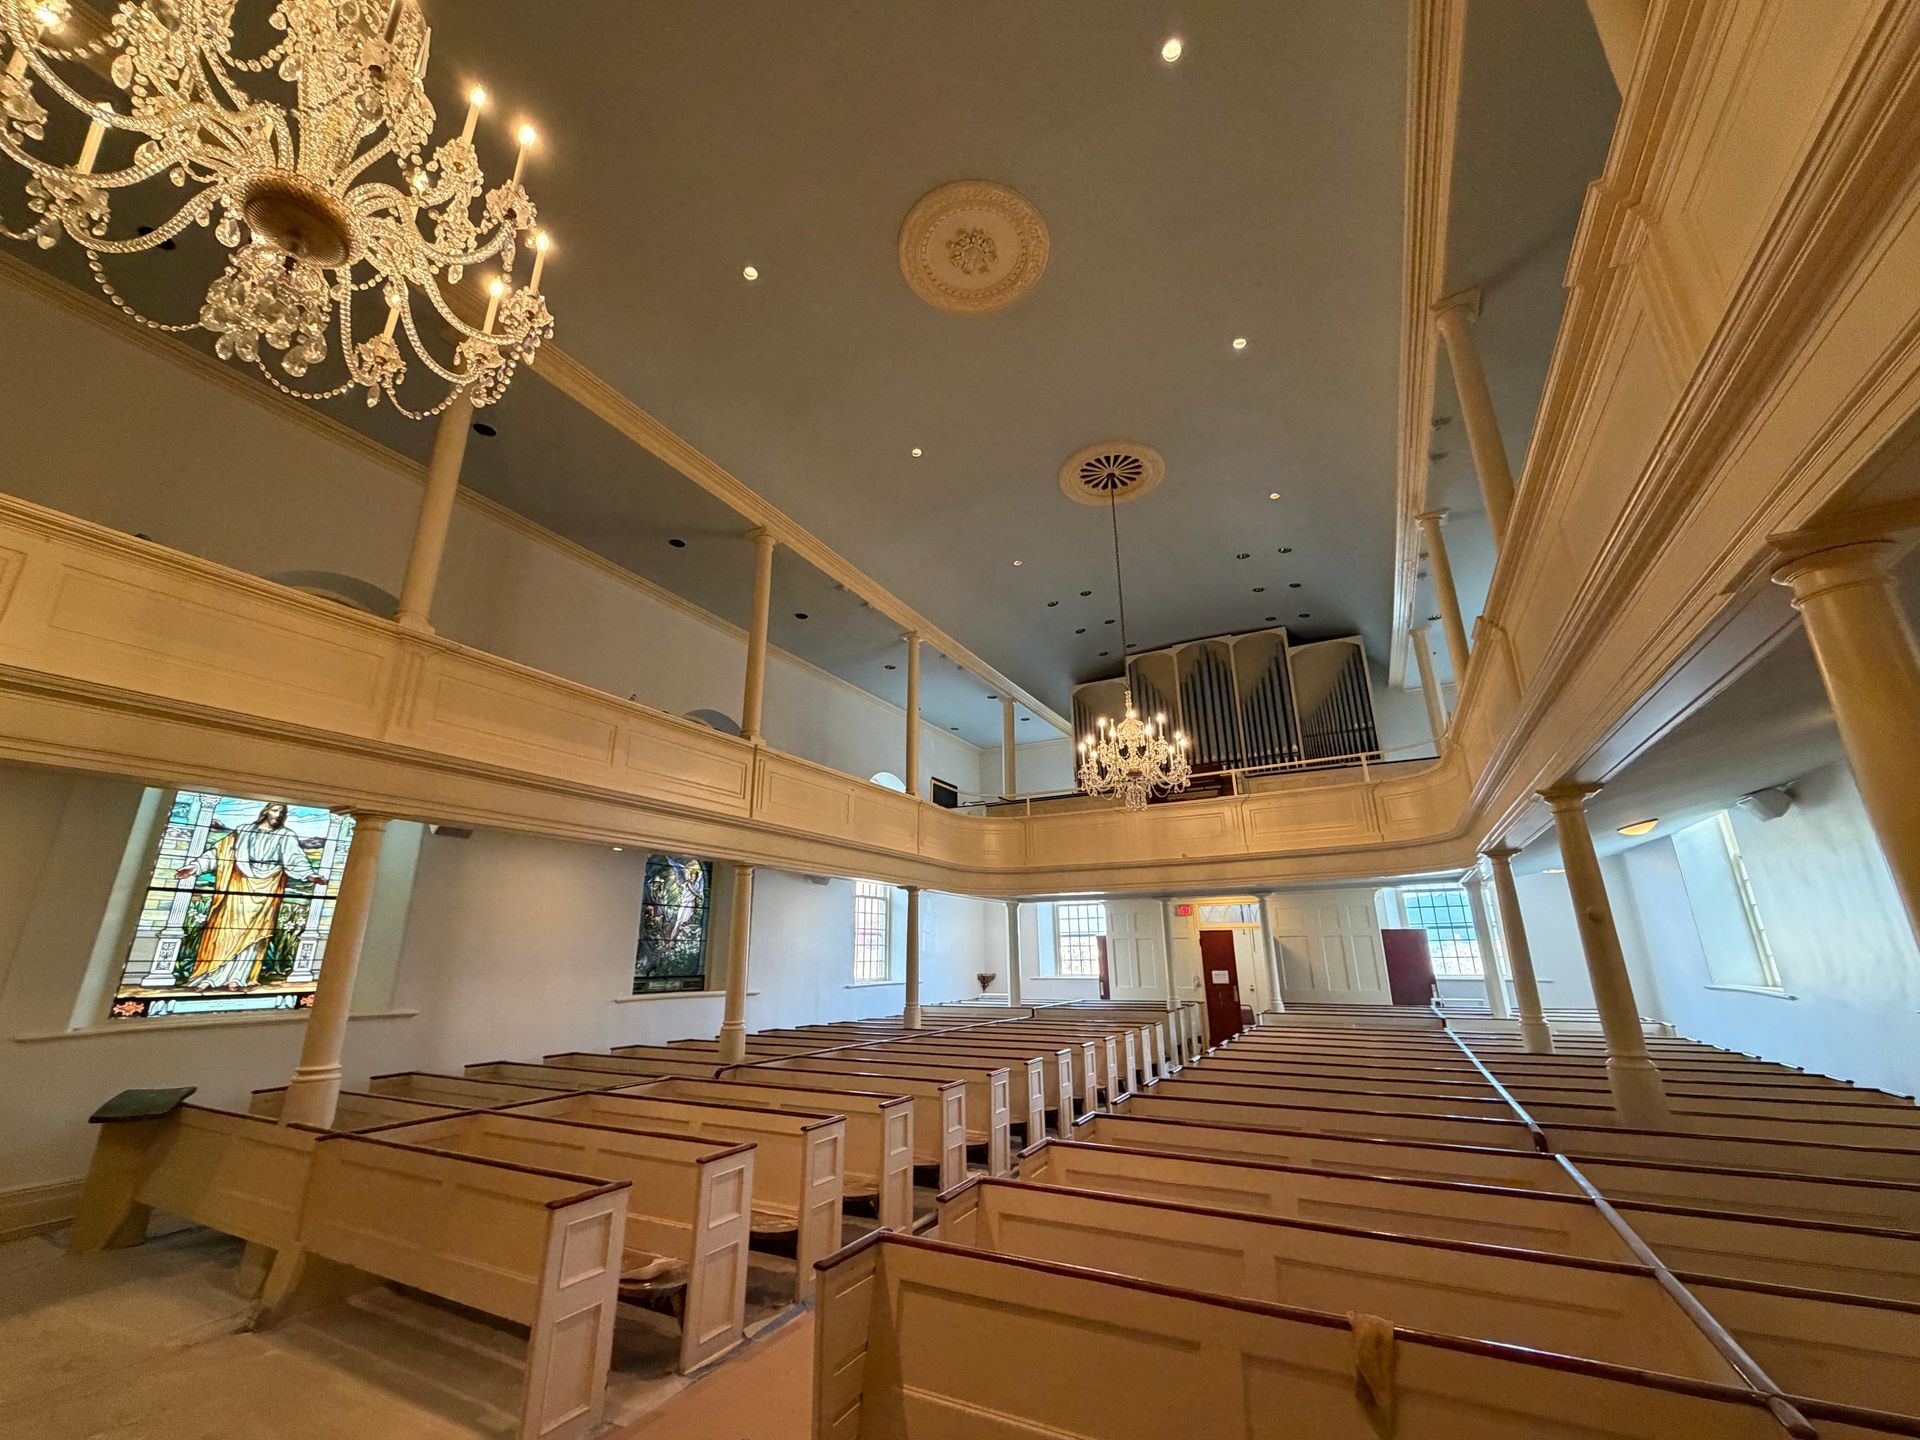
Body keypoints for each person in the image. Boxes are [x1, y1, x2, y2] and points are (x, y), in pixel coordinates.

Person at [176, 802, 325, 990]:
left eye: (282, 812)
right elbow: (217, 853)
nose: (278, 815)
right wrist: (194, 867)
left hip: (267, 891)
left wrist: (310, 875)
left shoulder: (286, 836)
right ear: (265, 811)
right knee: (225, 931)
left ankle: (239, 977)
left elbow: (296, 859)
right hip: (237, 887)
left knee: (254, 935)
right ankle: (211, 976)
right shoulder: (243, 832)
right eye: (275, 810)